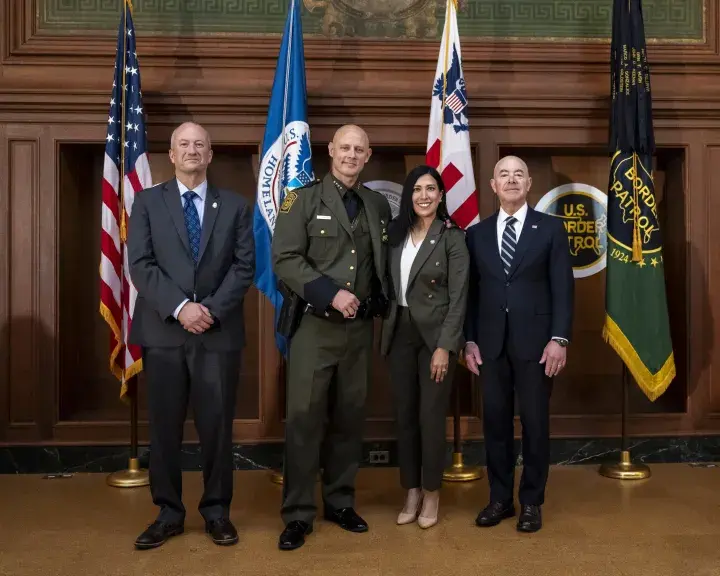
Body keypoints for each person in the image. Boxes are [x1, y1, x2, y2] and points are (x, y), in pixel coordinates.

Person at [127, 122, 255, 549]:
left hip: (217, 335)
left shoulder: (236, 206)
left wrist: (210, 311)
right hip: (165, 333)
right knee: (164, 429)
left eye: (200, 144)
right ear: (172, 152)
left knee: (217, 429)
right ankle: (169, 513)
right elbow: (141, 265)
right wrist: (182, 309)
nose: (192, 150)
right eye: (185, 144)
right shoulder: (146, 203)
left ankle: (217, 512)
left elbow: (243, 267)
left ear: (210, 154)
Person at [271, 124, 391, 551]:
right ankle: (298, 514)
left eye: (359, 149)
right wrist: (330, 293)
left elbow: (382, 262)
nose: (351, 155)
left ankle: (340, 501)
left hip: (359, 332)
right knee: (304, 421)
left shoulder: (376, 204)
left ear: (368, 154)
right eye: (345, 148)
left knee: (349, 418)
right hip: (315, 329)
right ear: (330, 151)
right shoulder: (301, 199)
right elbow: (284, 259)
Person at [464, 155, 573, 533]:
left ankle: (531, 502)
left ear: (529, 184)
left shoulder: (551, 229)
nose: (511, 180)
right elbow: (472, 294)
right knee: (494, 423)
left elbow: (563, 289)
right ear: (492, 186)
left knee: (535, 424)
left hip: (538, 345)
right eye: (503, 175)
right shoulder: (476, 234)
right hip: (490, 346)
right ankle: (499, 499)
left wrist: (559, 339)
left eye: (518, 175)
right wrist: (470, 339)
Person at [380, 165, 469, 530]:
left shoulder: (452, 237)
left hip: (434, 339)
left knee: (431, 419)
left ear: (442, 194)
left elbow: (459, 297)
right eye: (417, 189)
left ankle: (432, 492)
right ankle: (411, 490)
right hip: (398, 332)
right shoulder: (396, 234)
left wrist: (446, 347)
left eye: (431, 189)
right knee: (405, 419)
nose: (424, 196)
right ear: (408, 195)